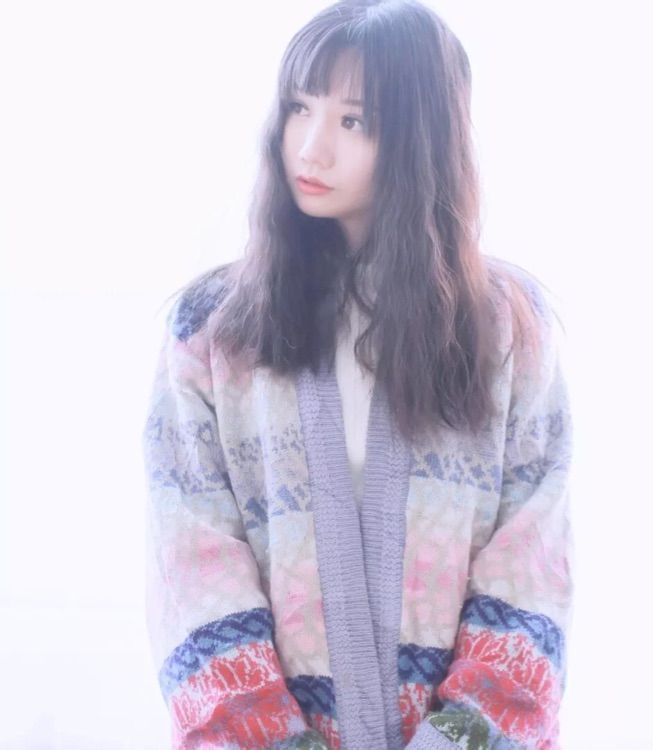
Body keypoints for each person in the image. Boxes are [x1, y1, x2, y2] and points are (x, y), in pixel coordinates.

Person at [141, 1, 575, 748]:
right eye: (299, 108)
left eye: (354, 121)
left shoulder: (506, 328)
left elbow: (530, 569)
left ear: (420, 136)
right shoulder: (212, 331)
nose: (311, 147)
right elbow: (192, 569)